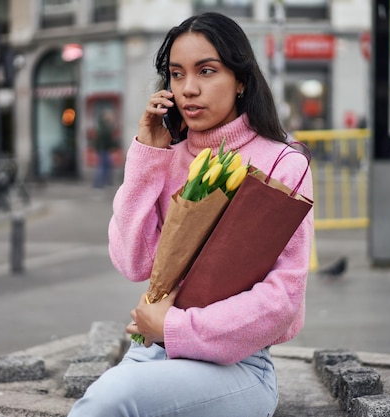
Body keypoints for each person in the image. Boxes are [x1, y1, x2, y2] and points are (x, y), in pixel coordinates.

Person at [68, 12, 313, 417]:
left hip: (239, 367)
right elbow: (134, 262)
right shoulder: (169, 157)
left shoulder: (284, 164)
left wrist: (174, 328)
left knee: (112, 398)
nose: (189, 89)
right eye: (177, 75)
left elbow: (283, 298)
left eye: (206, 71)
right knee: (112, 395)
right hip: (151, 355)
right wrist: (146, 155)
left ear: (241, 80)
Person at [93, 108, 116, 189]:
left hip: (105, 149)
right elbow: (105, 138)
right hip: (103, 149)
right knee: (102, 167)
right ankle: (98, 185)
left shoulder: (105, 126)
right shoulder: (103, 127)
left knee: (107, 166)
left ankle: (105, 183)